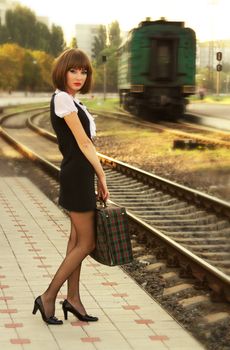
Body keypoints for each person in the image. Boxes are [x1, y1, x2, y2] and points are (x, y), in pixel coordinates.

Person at [32, 48, 109, 325]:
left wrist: (95, 174)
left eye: (84, 71)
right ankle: (49, 296)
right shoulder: (63, 99)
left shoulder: (71, 101)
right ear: (62, 71)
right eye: (73, 70)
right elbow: (84, 143)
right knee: (87, 242)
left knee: (76, 240)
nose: (79, 76)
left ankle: (73, 299)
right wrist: (101, 175)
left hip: (78, 174)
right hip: (78, 176)